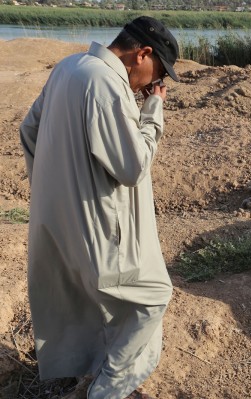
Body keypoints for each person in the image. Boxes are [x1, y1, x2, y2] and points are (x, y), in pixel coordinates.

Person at [19, 16, 179, 399]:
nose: (151, 84)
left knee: (95, 297)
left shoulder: (68, 67)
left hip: (55, 224)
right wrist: (153, 110)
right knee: (152, 296)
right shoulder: (106, 83)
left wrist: (53, 187)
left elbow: (29, 129)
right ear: (142, 54)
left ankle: (88, 366)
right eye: (157, 73)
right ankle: (106, 389)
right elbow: (132, 166)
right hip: (97, 230)